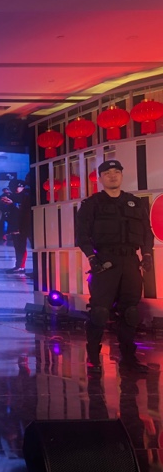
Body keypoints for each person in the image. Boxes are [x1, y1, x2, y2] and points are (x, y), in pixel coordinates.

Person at [75, 159, 153, 375]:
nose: (112, 175)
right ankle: (93, 358)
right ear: (100, 178)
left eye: (116, 172)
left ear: (121, 175)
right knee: (99, 312)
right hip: (105, 262)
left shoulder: (135, 203)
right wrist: (92, 258)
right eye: (107, 173)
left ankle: (128, 359)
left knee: (130, 312)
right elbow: (82, 235)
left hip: (130, 262)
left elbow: (147, 232)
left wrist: (147, 254)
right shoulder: (92, 204)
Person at [1, 179, 31, 273]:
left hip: (26, 224)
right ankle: (19, 265)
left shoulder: (27, 196)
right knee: (18, 246)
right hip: (15, 224)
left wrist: (12, 204)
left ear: (22, 187)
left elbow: (25, 209)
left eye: (15, 187)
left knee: (23, 245)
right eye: (11, 187)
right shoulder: (12, 196)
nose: (13, 189)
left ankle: (21, 266)